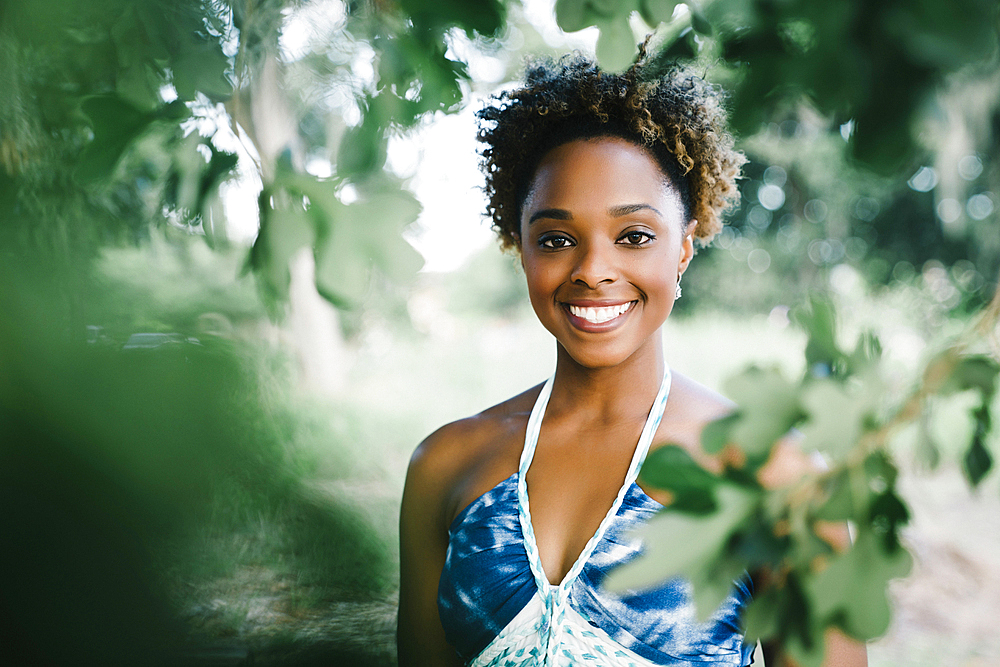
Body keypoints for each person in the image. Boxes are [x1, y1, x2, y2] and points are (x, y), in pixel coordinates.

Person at [397, 46, 868, 667]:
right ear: (521, 248)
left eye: (635, 236)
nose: (593, 271)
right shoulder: (445, 465)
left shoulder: (773, 479)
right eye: (557, 239)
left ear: (684, 250)